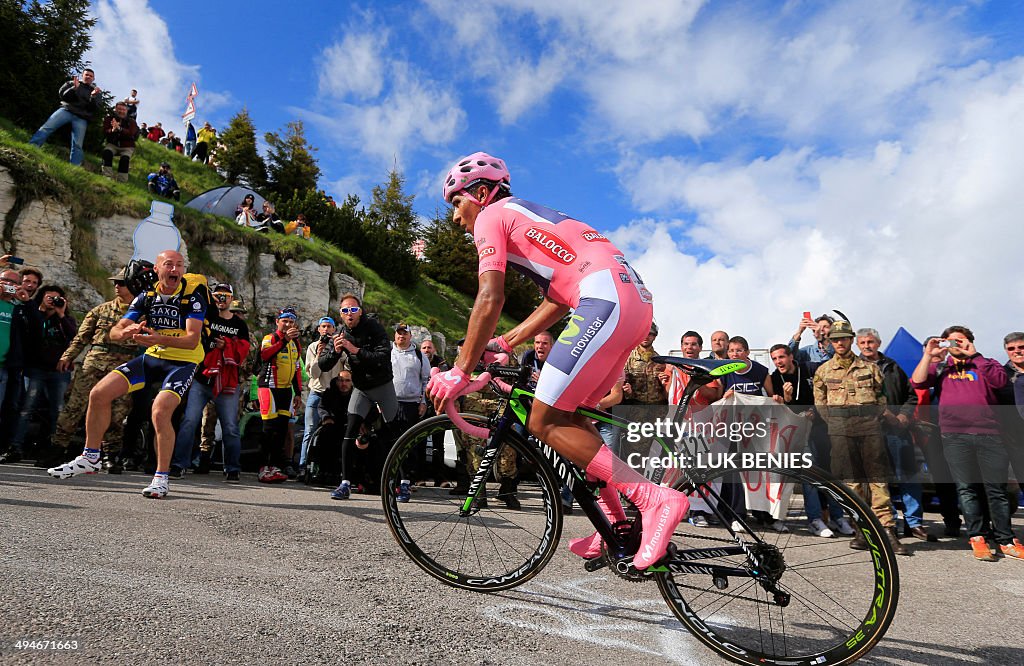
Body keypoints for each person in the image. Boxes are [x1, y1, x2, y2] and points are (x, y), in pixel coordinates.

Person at [430, 151, 687, 570]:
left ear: (480, 193)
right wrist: (509, 341)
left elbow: (491, 297)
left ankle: (653, 498)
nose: (456, 218)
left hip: (603, 299)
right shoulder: (527, 215)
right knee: (574, 421)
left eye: (457, 204)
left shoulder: (493, 217)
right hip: (632, 303)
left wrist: (460, 369)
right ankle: (619, 526)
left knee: (543, 421)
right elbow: (556, 298)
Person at [47, 252, 208, 499]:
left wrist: (158, 338)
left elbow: (192, 339)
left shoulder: (192, 296)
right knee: (99, 394)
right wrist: (125, 331)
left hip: (183, 361)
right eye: (169, 264)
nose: (175, 269)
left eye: (179, 265)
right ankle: (91, 457)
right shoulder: (147, 296)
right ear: (157, 269)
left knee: (160, 411)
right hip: (153, 357)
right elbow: (115, 331)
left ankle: (161, 478)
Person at [911, 326, 1022, 561]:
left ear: (970, 341)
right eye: (951, 341)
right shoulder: (941, 367)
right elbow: (918, 382)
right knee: (966, 488)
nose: (956, 345)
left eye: (960, 341)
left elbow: (1001, 382)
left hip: (990, 435)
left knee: (996, 490)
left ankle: (1005, 539)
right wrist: (928, 355)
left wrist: (975, 355)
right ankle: (977, 537)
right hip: (954, 436)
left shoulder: (986, 363)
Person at [813, 320, 909, 556]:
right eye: (835, 339)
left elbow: (881, 398)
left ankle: (888, 531)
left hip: (870, 431)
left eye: (844, 338)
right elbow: (821, 404)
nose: (840, 343)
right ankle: (861, 530)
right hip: (841, 432)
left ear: (850, 339)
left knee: (877, 481)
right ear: (831, 341)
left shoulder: (870, 368)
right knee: (852, 483)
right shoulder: (823, 371)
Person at [45, 270, 139, 472]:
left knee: (117, 413)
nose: (117, 286)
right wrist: (67, 356)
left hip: (124, 368)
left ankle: (110, 455)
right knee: (74, 407)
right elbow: (81, 338)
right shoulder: (100, 310)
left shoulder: (142, 313)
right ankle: (57, 448)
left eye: (122, 283)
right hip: (93, 364)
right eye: (116, 282)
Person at [320, 293, 401, 501]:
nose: (349, 314)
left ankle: (403, 482)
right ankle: (345, 483)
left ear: (360, 312)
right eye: (345, 311)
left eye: (353, 310)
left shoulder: (374, 328)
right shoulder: (340, 333)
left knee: (396, 433)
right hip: (362, 388)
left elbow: (382, 357)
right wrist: (335, 352)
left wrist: (354, 349)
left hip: (382, 385)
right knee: (350, 430)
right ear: (340, 315)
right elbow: (323, 365)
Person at [768, 343, 852, 537]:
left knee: (832, 473)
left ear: (791, 357)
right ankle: (814, 519)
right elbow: (779, 411)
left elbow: (830, 385)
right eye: (774, 358)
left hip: (824, 427)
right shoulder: (774, 378)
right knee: (809, 474)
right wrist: (787, 400)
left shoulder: (810, 368)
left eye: (781, 357)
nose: (778, 362)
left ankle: (837, 517)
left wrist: (815, 410)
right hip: (798, 433)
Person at [857, 327, 932, 541]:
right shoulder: (854, 368)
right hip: (869, 432)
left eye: (870, 342)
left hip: (897, 431)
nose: (866, 346)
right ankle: (886, 524)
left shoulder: (892, 367)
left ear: (878, 343)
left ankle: (914, 523)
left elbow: (910, 396)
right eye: (862, 343)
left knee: (908, 476)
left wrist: (904, 417)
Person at [171, 283, 250, 482]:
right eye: (217, 295)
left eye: (225, 296)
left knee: (230, 426)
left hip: (226, 381)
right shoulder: (204, 316)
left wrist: (227, 346)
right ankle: (179, 464)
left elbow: (244, 351)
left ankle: (232, 468)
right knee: (189, 421)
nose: (221, 299)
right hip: (201, 377)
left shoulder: (239, 325)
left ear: (232, 299)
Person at [6, 286, 77, 462]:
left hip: (58, 372)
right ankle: (15, 447)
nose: (53, 301)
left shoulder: (65, 319)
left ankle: (52, 450)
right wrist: (37, 306)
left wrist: (60, 313)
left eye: (57, 298)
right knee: (26, 409)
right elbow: (34, 325)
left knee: (57, 411)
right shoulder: (33, 315)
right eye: (49, 297)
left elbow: (74, 337)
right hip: (35, 369)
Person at [257, 308, 303, 483]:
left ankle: (275, 466)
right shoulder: (270, 338)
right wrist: (284, 339)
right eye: (285, 321)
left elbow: (297, 369)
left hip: (285, 390)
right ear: (277, 322)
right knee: (268, 429)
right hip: (268, 387)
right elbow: (265, 355)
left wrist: (298, 392)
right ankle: (263, 467)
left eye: (291, 322)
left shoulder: (296, 343)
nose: (288, 325)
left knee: (282, 430)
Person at [29, 68, 102, 166]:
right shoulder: (72, 83)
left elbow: (94, 108)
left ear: (93, 79)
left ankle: (75, 166)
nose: (88, 77)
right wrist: (74, 88)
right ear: (82, 75)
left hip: (82, 117)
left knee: (77, 144)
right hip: (66, 110)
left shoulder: (96, 92)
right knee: (47, 127)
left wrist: (92, 97)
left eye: (91, 76)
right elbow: (63, 95)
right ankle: (32, 147)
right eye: (87, 74)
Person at [301, 316, 344, 474]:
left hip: (334, 395)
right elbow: (314, 374)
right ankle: (303, 466)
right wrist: (319, 356)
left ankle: (331, 468)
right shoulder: (313, 347)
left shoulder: (339, 346)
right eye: (323, 326)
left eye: (329, 326)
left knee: (335, 431)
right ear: (318, 329)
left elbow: (346, 368)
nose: (326, 329)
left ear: (334, 329)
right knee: (310, 430)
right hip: (317, 392)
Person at [622, 322, 667, 406]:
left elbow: (666, 388)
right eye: (643, 333)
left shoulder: (661, 360)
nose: (646, 337)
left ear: (654, 337)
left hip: (657, 409)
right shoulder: (627, 359)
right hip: (635, 408)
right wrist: (628, 391)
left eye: (650, 334)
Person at [101, 102, 138, 182]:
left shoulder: (132, 121)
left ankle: (122, 180)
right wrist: (113, 130)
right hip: (113, 144)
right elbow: (105, 130)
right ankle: (107, 176)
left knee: (125, 159)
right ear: (115, 109)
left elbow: (131, 133)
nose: (121, 111)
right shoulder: (109, 118)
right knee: (107, 153)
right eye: (119, 109)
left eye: (123, 109)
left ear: (126, 111)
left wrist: (120, 128)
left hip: (127, 146)